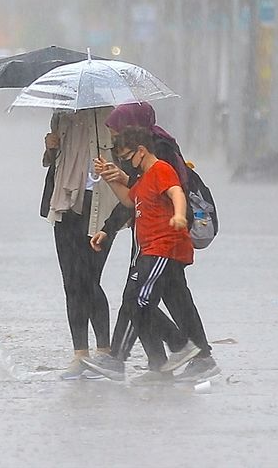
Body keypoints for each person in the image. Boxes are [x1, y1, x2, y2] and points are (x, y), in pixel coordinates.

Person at [89, 102, 220, 383]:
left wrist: (178, 219)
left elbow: (171, 191)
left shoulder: (159, 153)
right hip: (152, 239)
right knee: (170, 299)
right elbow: (135, 196)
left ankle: (133, 358)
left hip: (163, 241)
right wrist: (109, 224)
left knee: (138, 299)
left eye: (117, 138)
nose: (116, 146)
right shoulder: (146, 152)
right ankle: (172, 362)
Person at [41, 107, 122, 380]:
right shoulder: (60, 115)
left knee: (89, 279)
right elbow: (53, 162)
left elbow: (126, 160)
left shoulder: (110, 116)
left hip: (100, 205)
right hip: (65, 204)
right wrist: (51, 148)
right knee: (71, 282)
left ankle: (104, 350)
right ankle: (80, 354)